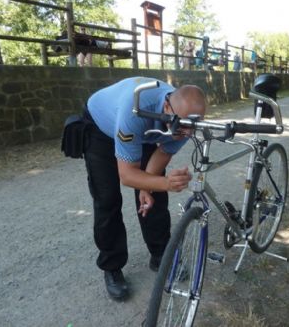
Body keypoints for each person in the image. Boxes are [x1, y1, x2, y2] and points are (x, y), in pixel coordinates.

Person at [83, 77, 207, 300]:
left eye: (192, 128)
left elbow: (163, 152)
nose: (186, 134)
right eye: (182, 126)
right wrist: (165, 183)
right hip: (102, 128)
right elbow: (127, 175)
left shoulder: (184, 122)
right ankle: (112, 267)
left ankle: (161, 256)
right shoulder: (136, 111)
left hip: (149, 127)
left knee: (155, 197)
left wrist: (148, 188)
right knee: (107, 199)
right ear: (167, 106)